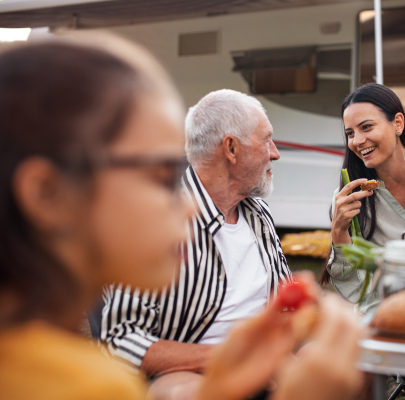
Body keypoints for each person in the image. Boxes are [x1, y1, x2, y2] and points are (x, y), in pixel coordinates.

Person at [0, 35, 363, 400]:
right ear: (46, 194)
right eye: (159, 175)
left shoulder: (48, 369)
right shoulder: (85, 387)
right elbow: (121, 340)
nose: (187, 205)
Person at [98, 88, 295, 396]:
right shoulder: (158, 222)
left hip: (269, 360)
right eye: (266, 139)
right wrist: (230, 358)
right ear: (231, 148)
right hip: (191, 373)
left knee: (348, 370)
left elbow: (287, 305)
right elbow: (120, 339)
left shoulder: (259, 213)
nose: (275, 152)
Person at [322, 82, 405, 301]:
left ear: (398, 123)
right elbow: (355, 287)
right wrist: (339, 231)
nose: (357, 141)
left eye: (366, 127)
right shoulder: (351, 199)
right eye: (350, 133)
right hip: (386, 308)